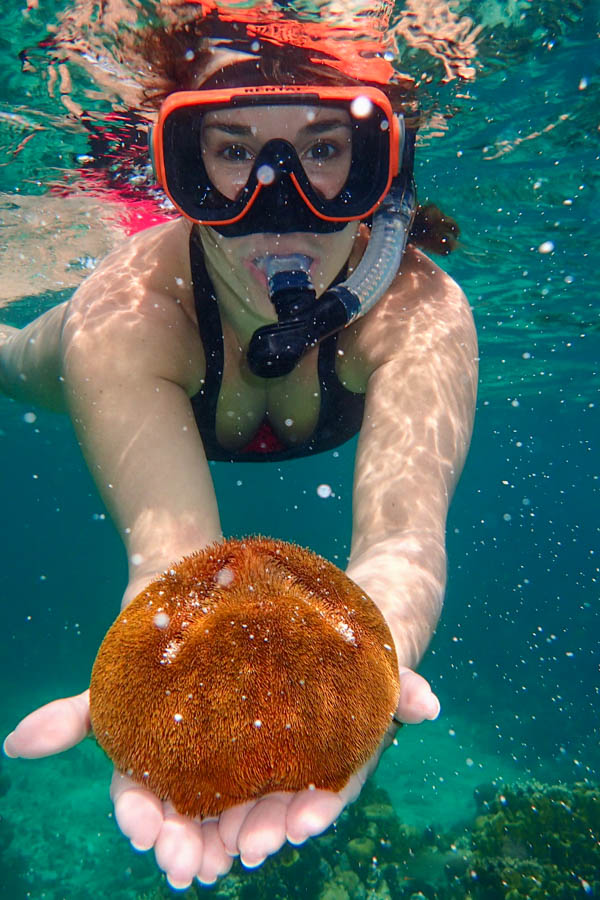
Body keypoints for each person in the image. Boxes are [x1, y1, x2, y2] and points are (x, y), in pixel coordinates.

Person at [0, 12, 478, 891]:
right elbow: (171, 568)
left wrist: (377, 660)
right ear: (184, 166)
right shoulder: (127, 319)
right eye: (231, 150)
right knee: (13, 359)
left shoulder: (421, 315)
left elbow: (404, 547)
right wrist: (153, 683)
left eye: (325, 149)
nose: (280, 201)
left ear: (384, 171)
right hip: (102, 341)